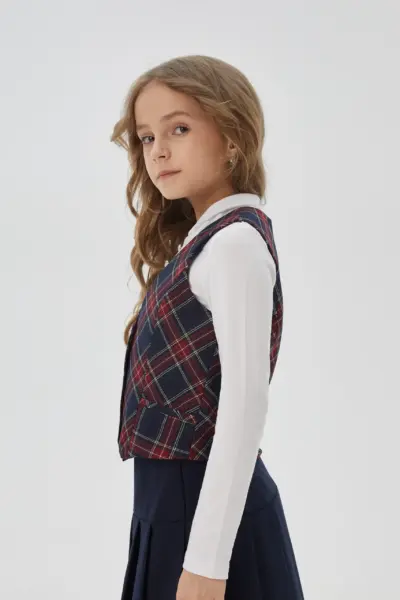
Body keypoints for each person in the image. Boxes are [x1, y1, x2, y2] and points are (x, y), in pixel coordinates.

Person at [111, 54, 304, 600]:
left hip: (206, 520)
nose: (158, 150)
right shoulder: (206, 245)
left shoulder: (235, 245)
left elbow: (244, 408)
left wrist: (206, 563)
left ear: (233, 137)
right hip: (171, 510)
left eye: (179, 128)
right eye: (147, 137)